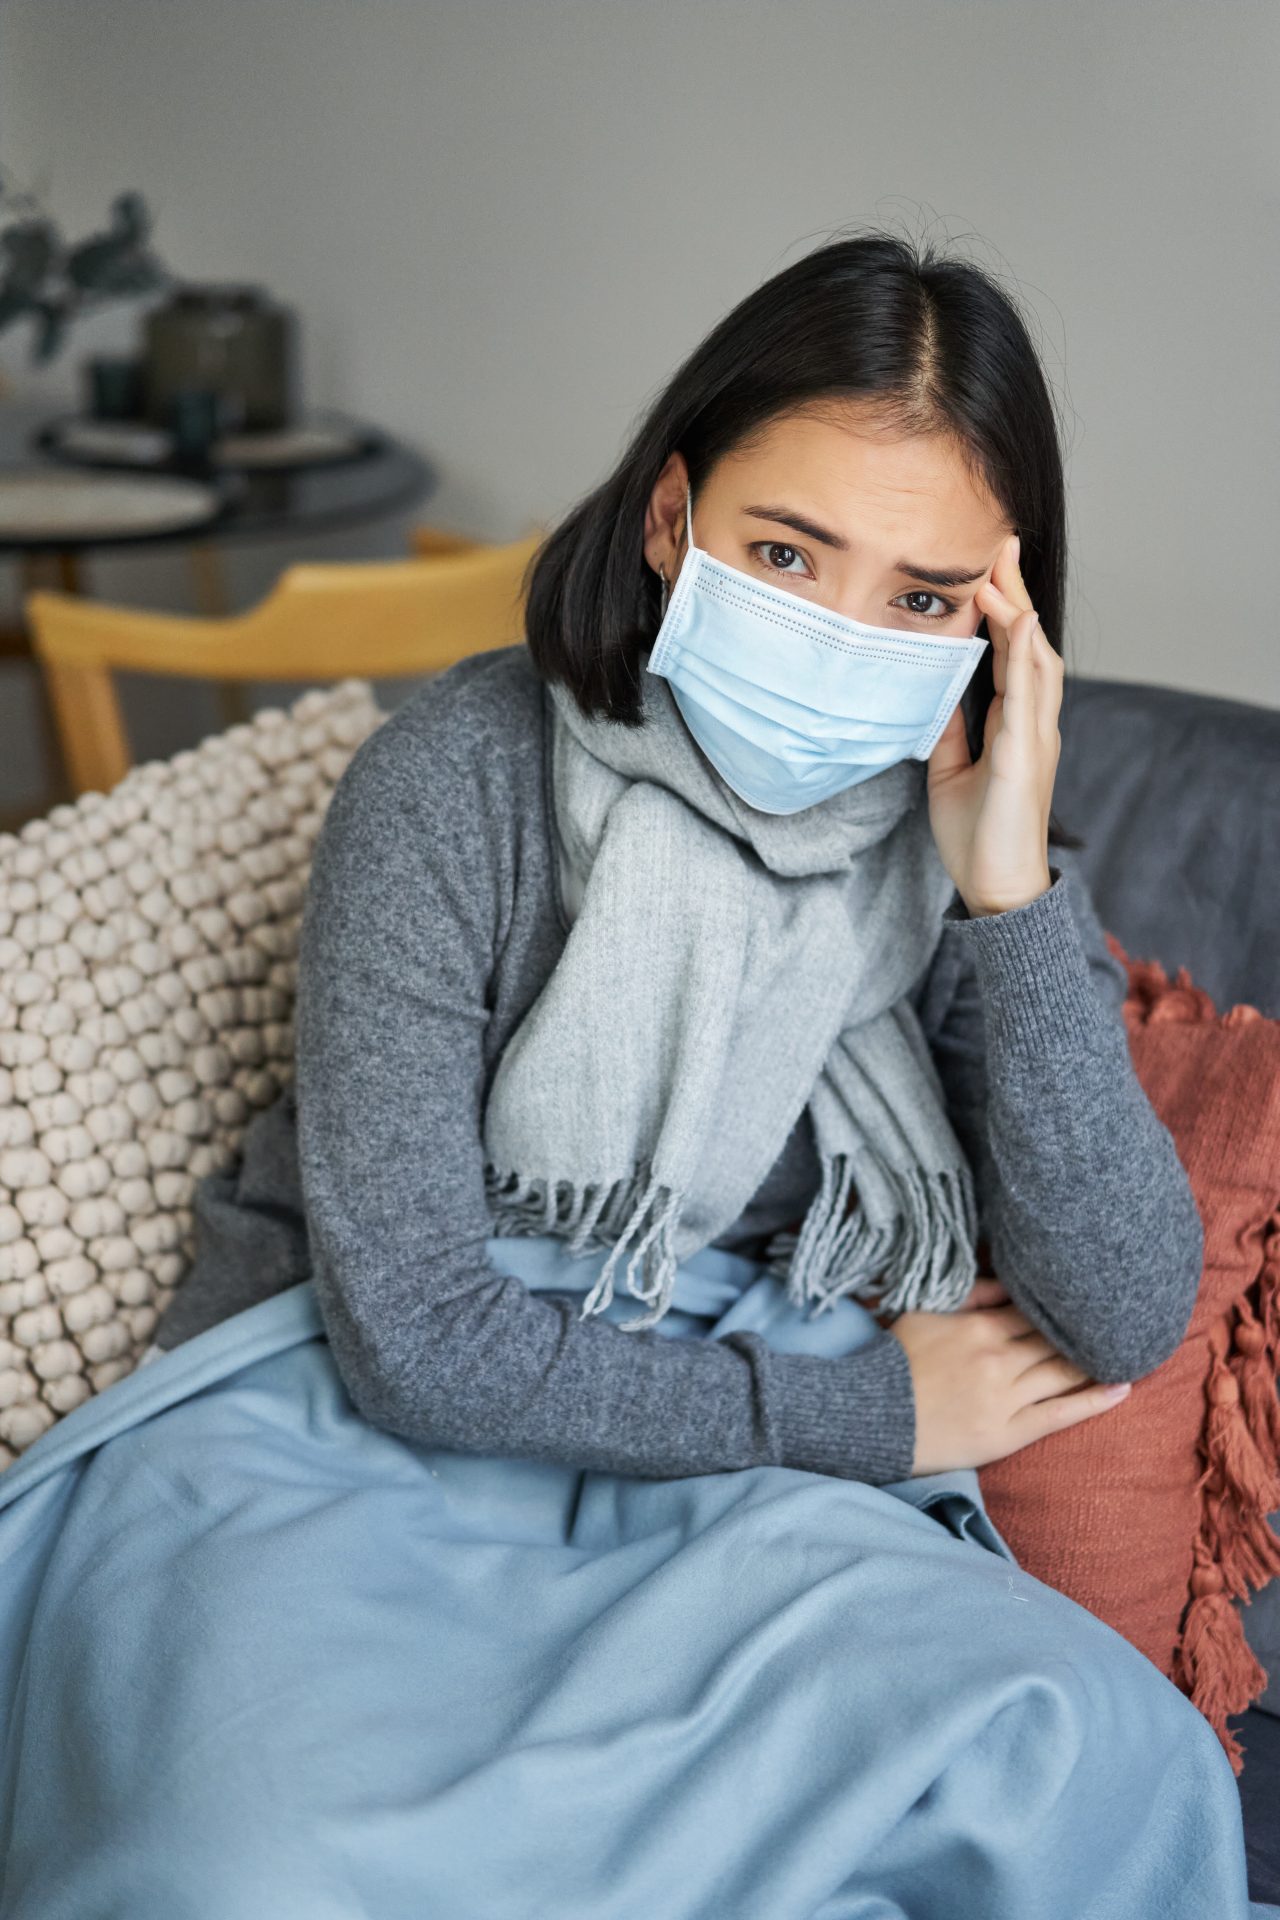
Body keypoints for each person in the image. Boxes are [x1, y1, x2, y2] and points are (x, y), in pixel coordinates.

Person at [8, 229, 1272, 1919]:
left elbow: (1122, 1307)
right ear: (674, 521)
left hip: (744, 1499)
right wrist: (879, 1413)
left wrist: (1011, 889)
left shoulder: (954, 841)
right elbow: (418, 1343)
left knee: (1104, 1762)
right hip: (343, 1443)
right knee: (248, 1869)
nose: (843, 636)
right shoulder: (449, 782)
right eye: (788, 551)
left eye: (917, 599)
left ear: (997, 624)